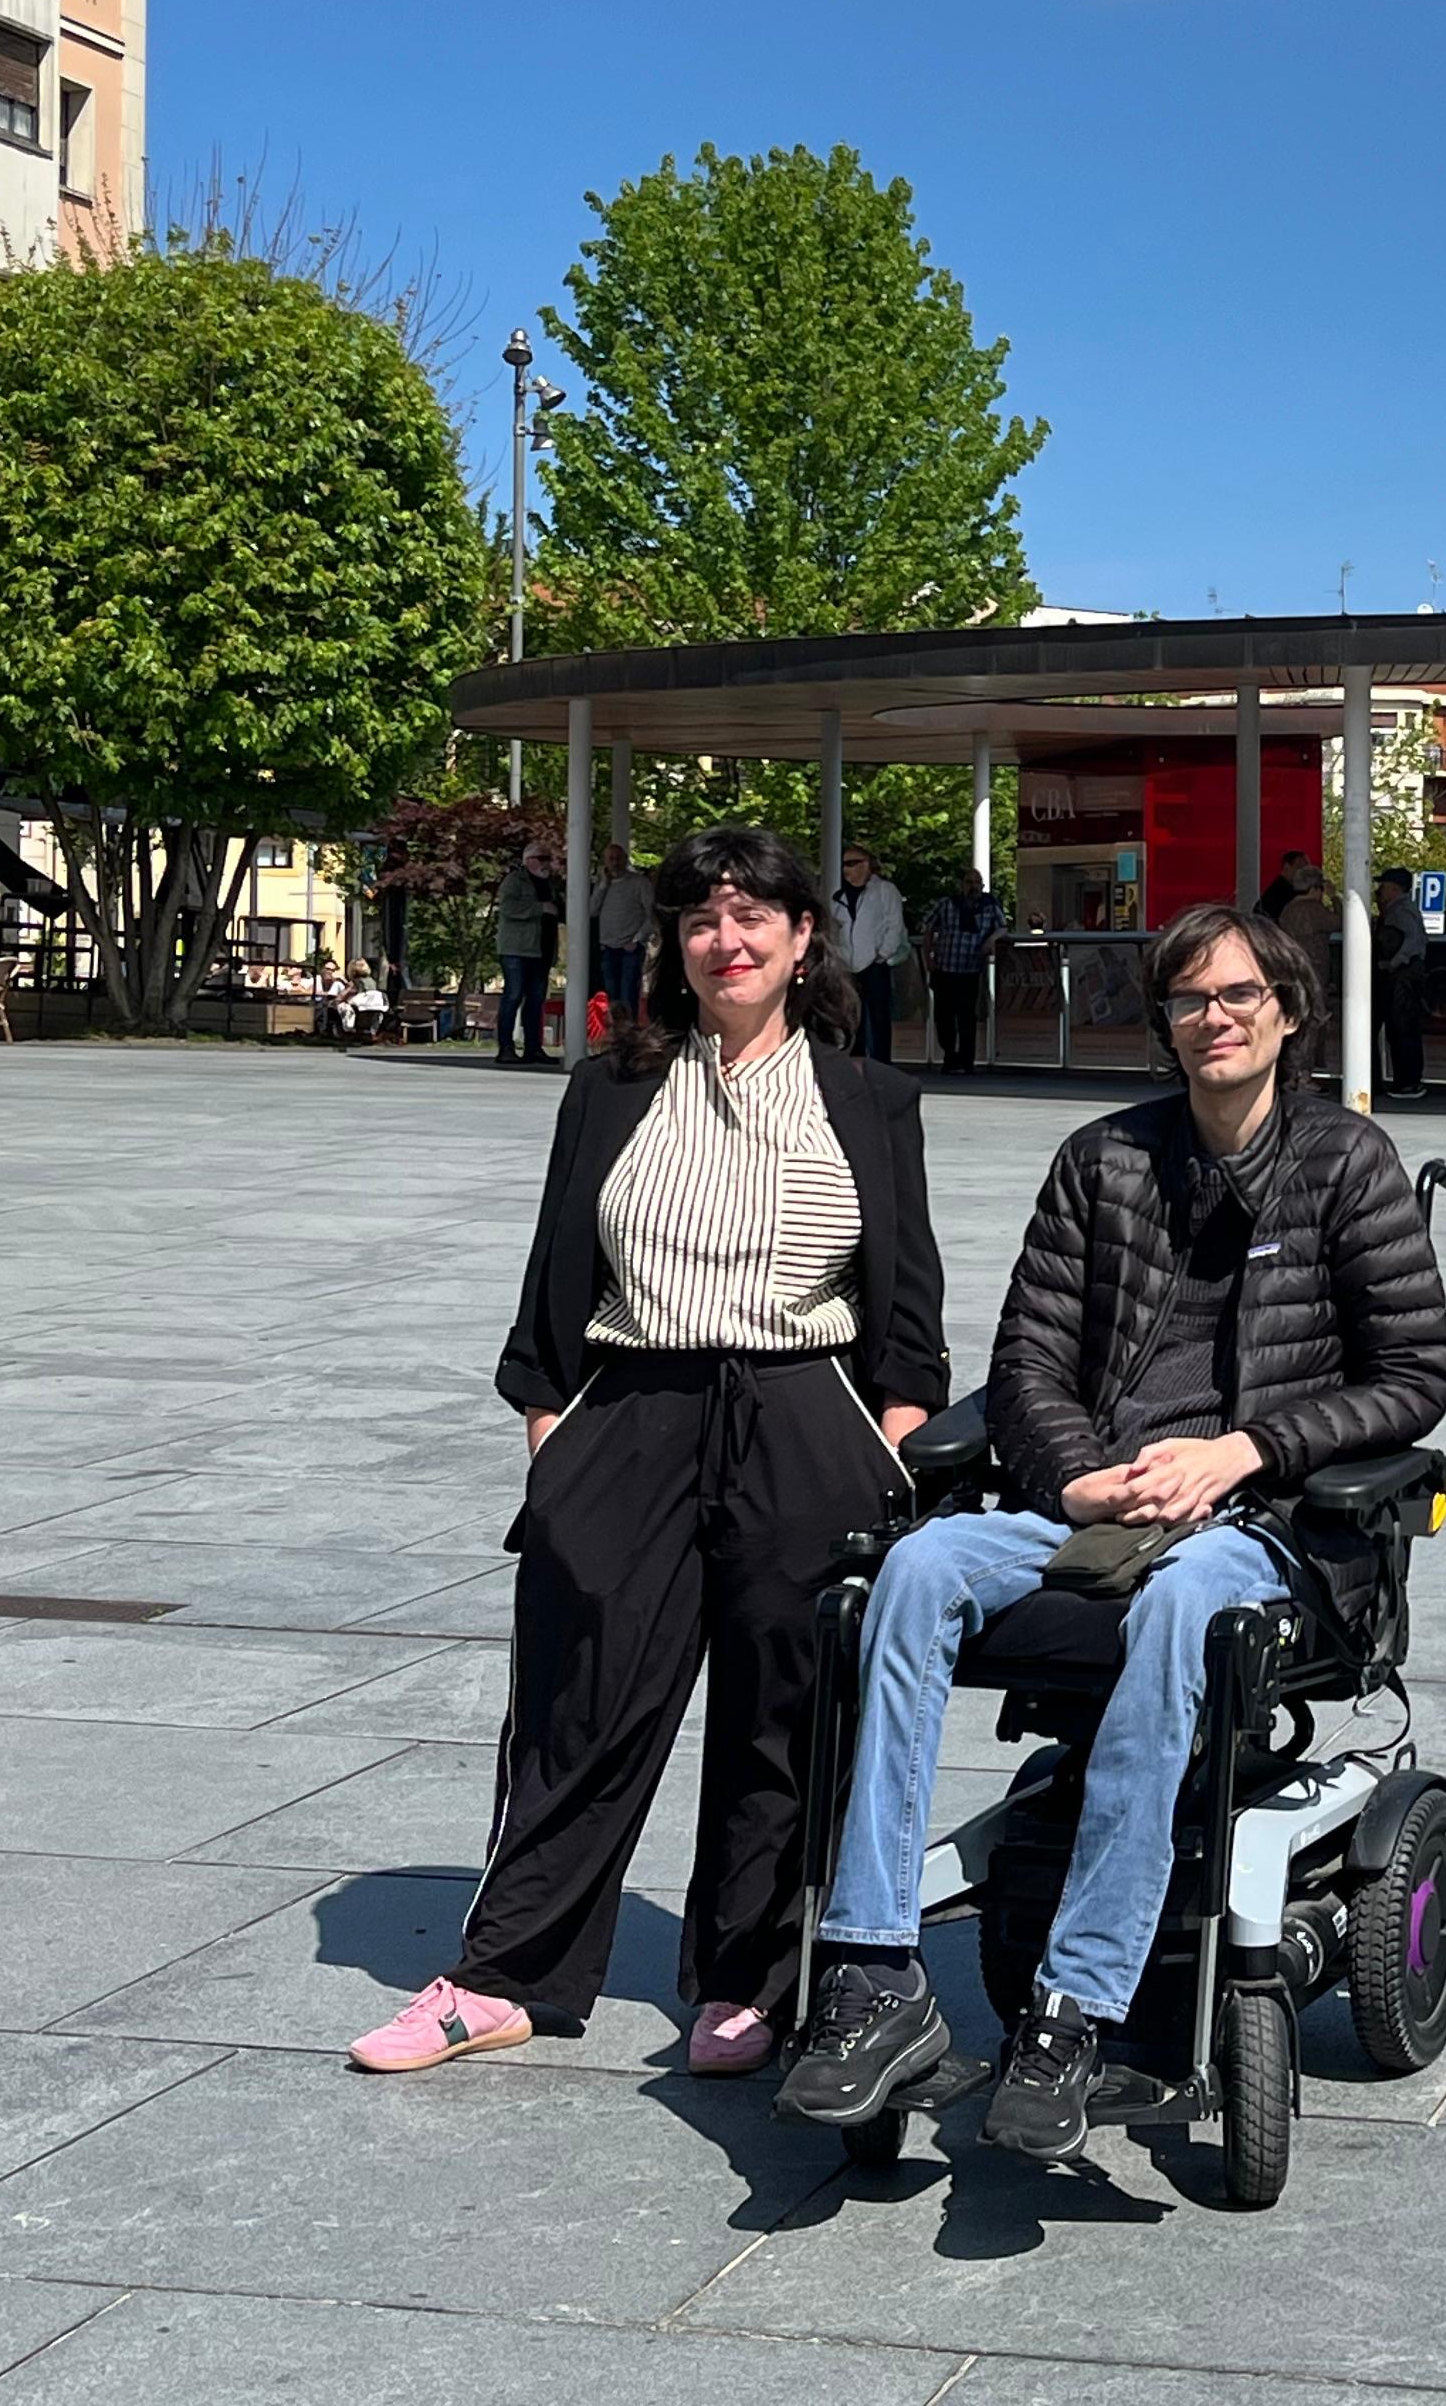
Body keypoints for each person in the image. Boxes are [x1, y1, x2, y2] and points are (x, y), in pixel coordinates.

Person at [779, 903, 1446, 2156]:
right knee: (913, 1569)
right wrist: (1081, 1478)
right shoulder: (1104, 1161)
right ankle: (874, 1973)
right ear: (1166, 1023)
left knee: (1184, 1602)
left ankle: (1075, 2008)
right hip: (1093, 1505)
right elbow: (1026, 1362)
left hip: (1263, 1521)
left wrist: (1246, 1451)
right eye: (1191, 999)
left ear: (1289, 1013)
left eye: (1240, 995)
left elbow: (1415, 1376)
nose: (1216, 1017)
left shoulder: (1347, 1161)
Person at [349, 828, 947, 2082]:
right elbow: (553, 1279)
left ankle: (748, 1979)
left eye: (752, 916)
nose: (727, 941)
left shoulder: (871, 1098)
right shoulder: (611, 1088)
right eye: (701, 919)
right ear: (674, 943)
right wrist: (553, 1435)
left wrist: (892, 1444)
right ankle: (506, 1975)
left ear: (802, 938)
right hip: (631, 1410)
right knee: (580, 1700)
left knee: (784, 1715)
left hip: (804, 1414)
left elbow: (907, 1309)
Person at [924, 865, 1004, 1074]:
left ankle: (967, 1060)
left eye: (977, 883)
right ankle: (949, 1056)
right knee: (944, 1018)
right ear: (961, 885)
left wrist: (991, 940)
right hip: (945, 967)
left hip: (971, 969)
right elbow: (928, 927)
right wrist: (928, 957)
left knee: (967, 1017)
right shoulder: (946, 904)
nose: (973, 887)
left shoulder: (989, 905)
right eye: (969, 882)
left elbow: (1003, 927)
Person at [836, 845, 908, 1066]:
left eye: (851, 863)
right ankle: (855, 1061)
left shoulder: (885, 891)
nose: (846, 869)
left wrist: (882, 954)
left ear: (867, 865)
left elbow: (894, 925)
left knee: (878, 1016)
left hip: (875, 963)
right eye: (844, 864)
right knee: (852, 1016)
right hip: (848, 964)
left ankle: (880, 1063)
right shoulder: (839, 896)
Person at [494, 845, 559, 1068]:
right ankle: (506, 1048)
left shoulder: (551, 884)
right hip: (517, 950)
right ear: (528, 860)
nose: (547, 863)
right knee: (513, 996)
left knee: (536, 1000)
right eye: (542, 858)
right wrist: (540, 908)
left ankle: (533, 1048)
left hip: (542, 950)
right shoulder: (514, 881)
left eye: (549, 858)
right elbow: (508, 908)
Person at [1373, 865, 1430, 1098]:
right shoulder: (1401, 909)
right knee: (1403, 1028)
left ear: (1395, 889)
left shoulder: (1400, 912)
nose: (1379, 890)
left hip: (1403, 976)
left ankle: (1407, 1082)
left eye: (1384, 886)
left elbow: (1412, 941)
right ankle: (1408, 1080)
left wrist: (1394, 962)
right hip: (1405, 974)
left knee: (1402, 1028)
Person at [593, 851, 657, 1030]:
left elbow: (652, 914)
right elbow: (591, 910)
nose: (615, 862)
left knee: (628, 995)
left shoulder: (639, 883)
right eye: (611, 858)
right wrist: (603, 885)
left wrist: (637, 939)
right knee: (611, 998)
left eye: (618, 858)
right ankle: (615, 1036)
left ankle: (629, 1036)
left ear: (625, 859)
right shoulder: (602, 884)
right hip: (607, 947)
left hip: (630, 948)